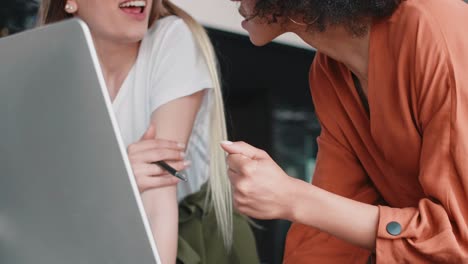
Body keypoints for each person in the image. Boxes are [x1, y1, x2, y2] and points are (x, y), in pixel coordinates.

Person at [221, 0, 468, 262]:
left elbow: (459, 236)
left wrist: (293, 197)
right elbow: (325, 236)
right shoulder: (329, 72)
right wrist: (296, 201)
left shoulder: (435, 31)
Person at [38, 0, 258, 263]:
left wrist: (104, 184)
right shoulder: (50, 72)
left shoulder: (171, 38)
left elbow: (158, 197)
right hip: (108, 238)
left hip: (191, 242)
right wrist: (117, 178)